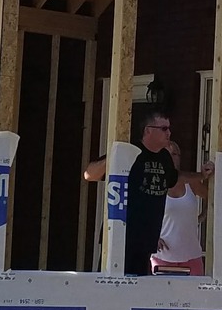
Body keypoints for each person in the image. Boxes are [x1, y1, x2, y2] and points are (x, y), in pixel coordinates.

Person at [85, 110, 202, 275]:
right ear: (148, 130)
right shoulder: (130, 152)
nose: (169, 133)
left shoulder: (164, 157)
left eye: (169, 128)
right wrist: (113, 157)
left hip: (147, 240)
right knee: (112, 284)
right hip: (121, 236)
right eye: (164, 128)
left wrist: (202, 175)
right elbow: (89, 175)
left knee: (138, 287)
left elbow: (175, 178)